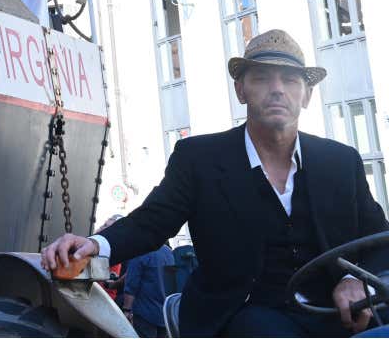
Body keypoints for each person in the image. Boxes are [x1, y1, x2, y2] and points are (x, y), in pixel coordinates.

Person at [41, 29, 389, 337]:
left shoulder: (339, 161)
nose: (277, 90)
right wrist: (95, 245)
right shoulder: (200, 158)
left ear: (307, 95)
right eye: (262, 78)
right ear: (241, 90)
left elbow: (378, 240)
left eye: (290, 80)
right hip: (240, 315)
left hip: (333, 317)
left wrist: (351, 280)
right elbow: (153, 221)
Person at [122, 243, 175, 337]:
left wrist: (127, 310)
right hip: (165, 314)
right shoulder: (169, 252)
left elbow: (131, 284)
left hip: (145, 313)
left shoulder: (140, 252)